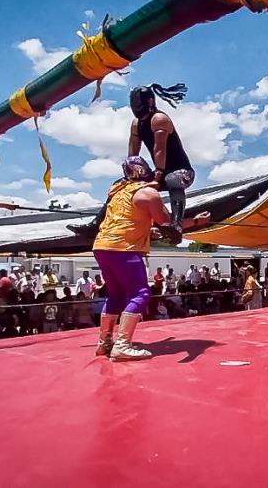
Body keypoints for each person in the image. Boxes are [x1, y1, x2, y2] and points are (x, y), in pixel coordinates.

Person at [92, 156, 210, 361]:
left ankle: (105, 342)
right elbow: (169, 225)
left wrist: (148, 232)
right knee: (140, 293)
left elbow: (129, 222)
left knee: (116, 294)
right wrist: (197, 221)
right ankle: (122, 345)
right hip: (124, 249)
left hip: (102, 246)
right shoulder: (148, 194)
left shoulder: (118, 193)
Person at [69, 83, 193, 243]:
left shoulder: (159, 119)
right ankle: (95, 224)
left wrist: (159, 173)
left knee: (173, 179)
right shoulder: (136, 124)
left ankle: (177, 224)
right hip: (159, 171)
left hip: (181, 171)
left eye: (138, 104)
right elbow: (133, 152)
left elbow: (159, 149)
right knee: (120, 184)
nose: (135, 107)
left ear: (149, 102)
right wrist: (130, 175)